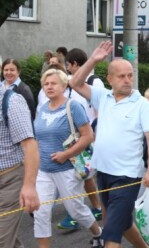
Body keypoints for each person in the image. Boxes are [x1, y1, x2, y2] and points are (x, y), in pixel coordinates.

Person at [69, 41, 149, 248]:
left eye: (130, 75)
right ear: (110, 79)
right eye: (121, 76)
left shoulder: (141, 103)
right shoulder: (103, 97)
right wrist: (93, 60)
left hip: (127, 176)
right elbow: (75, 83)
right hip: (104, 172)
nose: (127, 80)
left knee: (111, 232)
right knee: (123, 224)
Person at [32, 69, 103, 248]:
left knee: (76, 210)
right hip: (44, 171)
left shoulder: (73, 107)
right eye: (46, 84)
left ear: (64, 86)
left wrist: (66, 155)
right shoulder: (41, 109)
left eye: (53, 83)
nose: (49, 87)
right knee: (40, 213)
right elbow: (37, 138)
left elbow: (88, 136)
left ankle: (98, 234)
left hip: (67, 169)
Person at [56, 48, 104, 230]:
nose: (67, 69)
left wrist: (97, 136)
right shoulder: (69, 83)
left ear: (75, 64)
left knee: (77, 175)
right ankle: (98, 207)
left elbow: (100, 109)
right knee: (83, 174)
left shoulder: (94, 81)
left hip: (89, 137)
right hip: (74, 138)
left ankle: (74, 214)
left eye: (68, 65)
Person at [0, 85, 40, 248]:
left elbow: (30, 146)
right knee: (9, 240)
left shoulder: (11, 100)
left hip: (8, 181)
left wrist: (29, 186)